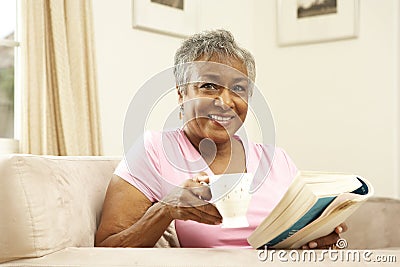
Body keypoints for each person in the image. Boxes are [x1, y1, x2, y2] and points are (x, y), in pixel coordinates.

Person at [95, 29, 347, 249]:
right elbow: (106, 246)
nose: (226, 102)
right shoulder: (155, 150)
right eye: (209, 86)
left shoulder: (276, 159)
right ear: (181, 94)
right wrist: (166, 208)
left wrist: (317, 238)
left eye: (238, 88)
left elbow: (300, 234)